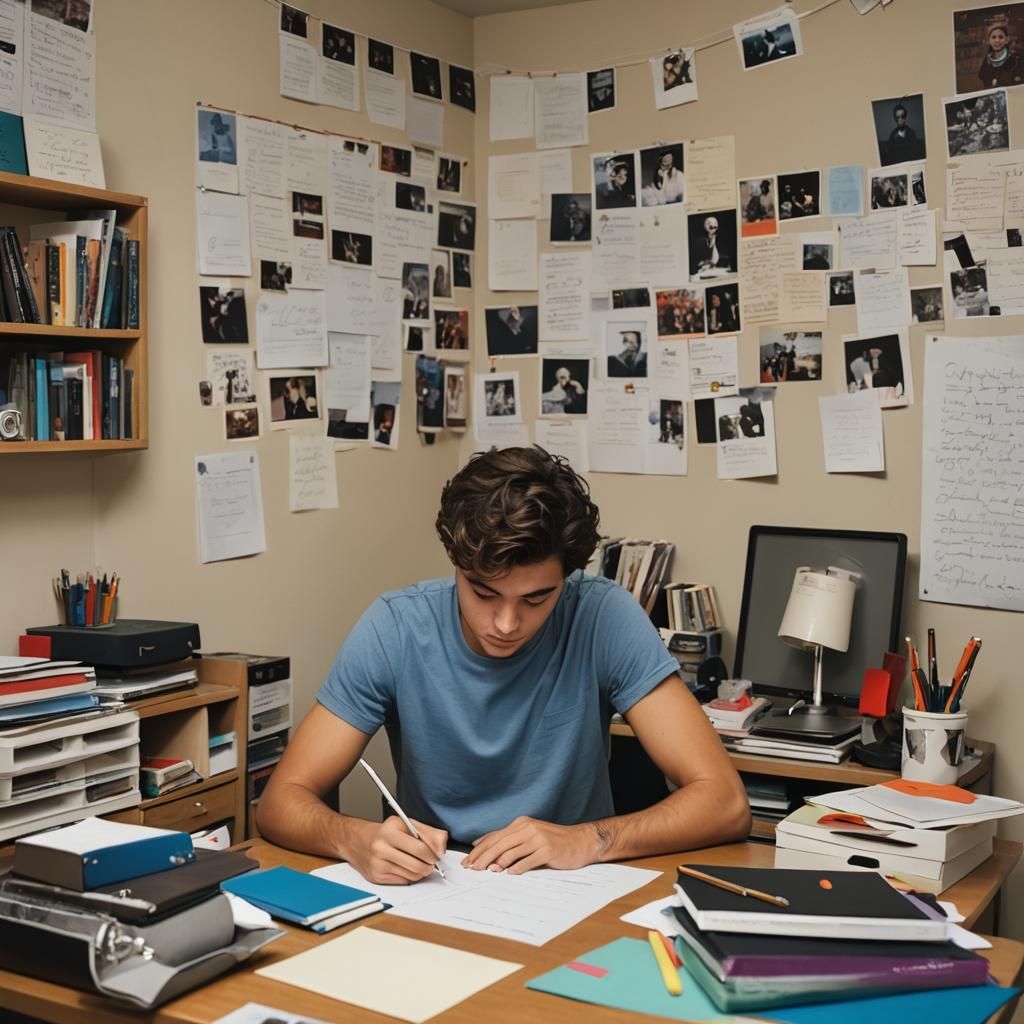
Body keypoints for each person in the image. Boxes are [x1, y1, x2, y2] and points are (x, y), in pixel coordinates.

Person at [257, 447, 750, 883]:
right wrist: (353, 839)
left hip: (570, 889)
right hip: (438, 890)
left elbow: (724, 803)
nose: (507, 623)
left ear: (568, 577)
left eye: (537, 599)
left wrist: (590, 839)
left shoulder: (602, 615)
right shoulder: (396, 627)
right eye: (484, 593)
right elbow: (281, 801)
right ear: (455, 562)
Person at [979, 21, 1024, 89]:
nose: (997, 40)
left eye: (1001, 37)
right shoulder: (987, 60)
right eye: (993, 37)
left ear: (1006, 40)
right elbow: (983, 76)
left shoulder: (1016, 58)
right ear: (988, 41)